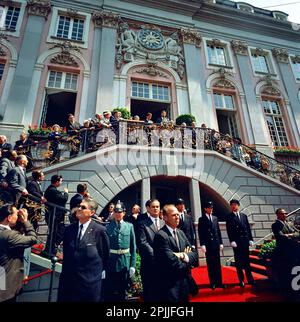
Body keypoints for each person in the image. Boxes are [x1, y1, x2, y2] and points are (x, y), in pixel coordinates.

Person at [57, 199, 110, 302]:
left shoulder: (99, 231)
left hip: (89, 287)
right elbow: (67, 257)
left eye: (83, 207)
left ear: (92, 212)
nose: (79, 209)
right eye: (79, 206)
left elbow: (105, 256)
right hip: (69, 287)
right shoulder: (69, 230)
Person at [153, 204, 199, 302]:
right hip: (170, 285)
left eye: (178, 214)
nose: (177, 217)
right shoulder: (161, 236)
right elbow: (170, 261)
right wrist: (187, 261)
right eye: (174, 215)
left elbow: (194, 254)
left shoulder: (181, 233)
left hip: (184, 283)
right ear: (165, 217)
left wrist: (183, 255)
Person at [0, 205, 37, 302]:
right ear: (9, 218)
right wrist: (25, 221)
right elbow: (33, 239)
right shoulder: (10, 235)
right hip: (6, 290)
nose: (18, 216)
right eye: (16, 214)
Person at [104, 200, 136, 301]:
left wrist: (132, 265)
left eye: (120, 211)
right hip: (111, 262)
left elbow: (133, 247)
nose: (118, 214)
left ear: (124, 213)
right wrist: (103, 267)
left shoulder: (129, 226)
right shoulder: (108, 227)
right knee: (110, 291)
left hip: (124, 262)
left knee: (123, 292)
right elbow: (104, 248)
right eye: (116, 212)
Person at [137, 199, 164, 302]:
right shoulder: (142, 224)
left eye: (157, 206)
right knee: (150, 292)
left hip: (163, 263)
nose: (156, 209)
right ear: (148, 208)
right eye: (153, 207)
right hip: (149, 263)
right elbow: (143, 242)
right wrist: (156, 255)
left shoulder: (163, 222)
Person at [226, 199, 255, 287]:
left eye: (235, 205)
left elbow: (247, 228)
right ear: (230, 206)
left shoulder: (244, 216)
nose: (234, 206)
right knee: (238, 262)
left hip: (245, 241)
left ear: (238, 206)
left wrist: (250, 239)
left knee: (247, 261)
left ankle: (250, 279)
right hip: (237, 242)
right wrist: (232, 241)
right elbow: (229, 230)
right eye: (232, 205)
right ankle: (241, 280)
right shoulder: (229, 217)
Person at [271, 208, 299, 294]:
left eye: (285, 213)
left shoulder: (290, 223)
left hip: (294, 250)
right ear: (278, 215)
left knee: (294, 269)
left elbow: (298, 233)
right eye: (283, 214)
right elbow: (281, 236)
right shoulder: (275, 225)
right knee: (286, 270)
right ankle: (286, 288)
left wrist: (290, 235)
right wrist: (293, 236)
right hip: (284, 251)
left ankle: (295, 286)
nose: (285, 215)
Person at [198, 201, 225, 289]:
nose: (211, 209)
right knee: (210, 264)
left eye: (212, 207)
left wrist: (221, 242)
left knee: (217, 264)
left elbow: (218, 231)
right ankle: (212, 282)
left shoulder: (215, 218)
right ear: (205, 209)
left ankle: (219, 282)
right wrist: (202, 244)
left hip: (216, 244)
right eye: (209, 207)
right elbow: (201, 233)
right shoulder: (201, 219)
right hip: (208, 245)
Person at [42, 175, 68, 258]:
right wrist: (66, 193)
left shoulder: (52, 189)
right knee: (53, 233)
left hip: (55, 216)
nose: (61, 182)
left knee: (55, 233)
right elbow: (63, 199)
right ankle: (49, 251)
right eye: (60, 181)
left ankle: (51, 250)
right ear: (57, 181)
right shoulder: (52, 190)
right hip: (53, 216)